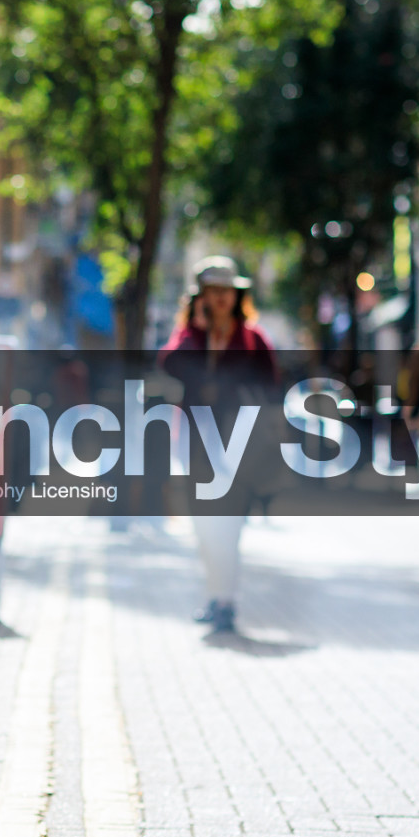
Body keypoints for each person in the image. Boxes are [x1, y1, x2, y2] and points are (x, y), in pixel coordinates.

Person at [159, 256, 277, 635]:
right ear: (201, 296)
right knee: (205, 524)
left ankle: (226, 601)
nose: (222, 298)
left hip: (239, 443)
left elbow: (272, 385)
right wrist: (201, 336)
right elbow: (168, 363)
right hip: (197, 441)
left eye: (228, 291)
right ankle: (215, 596)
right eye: (214, 291)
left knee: (227, 524)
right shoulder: (190, 337)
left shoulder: (253, 339)